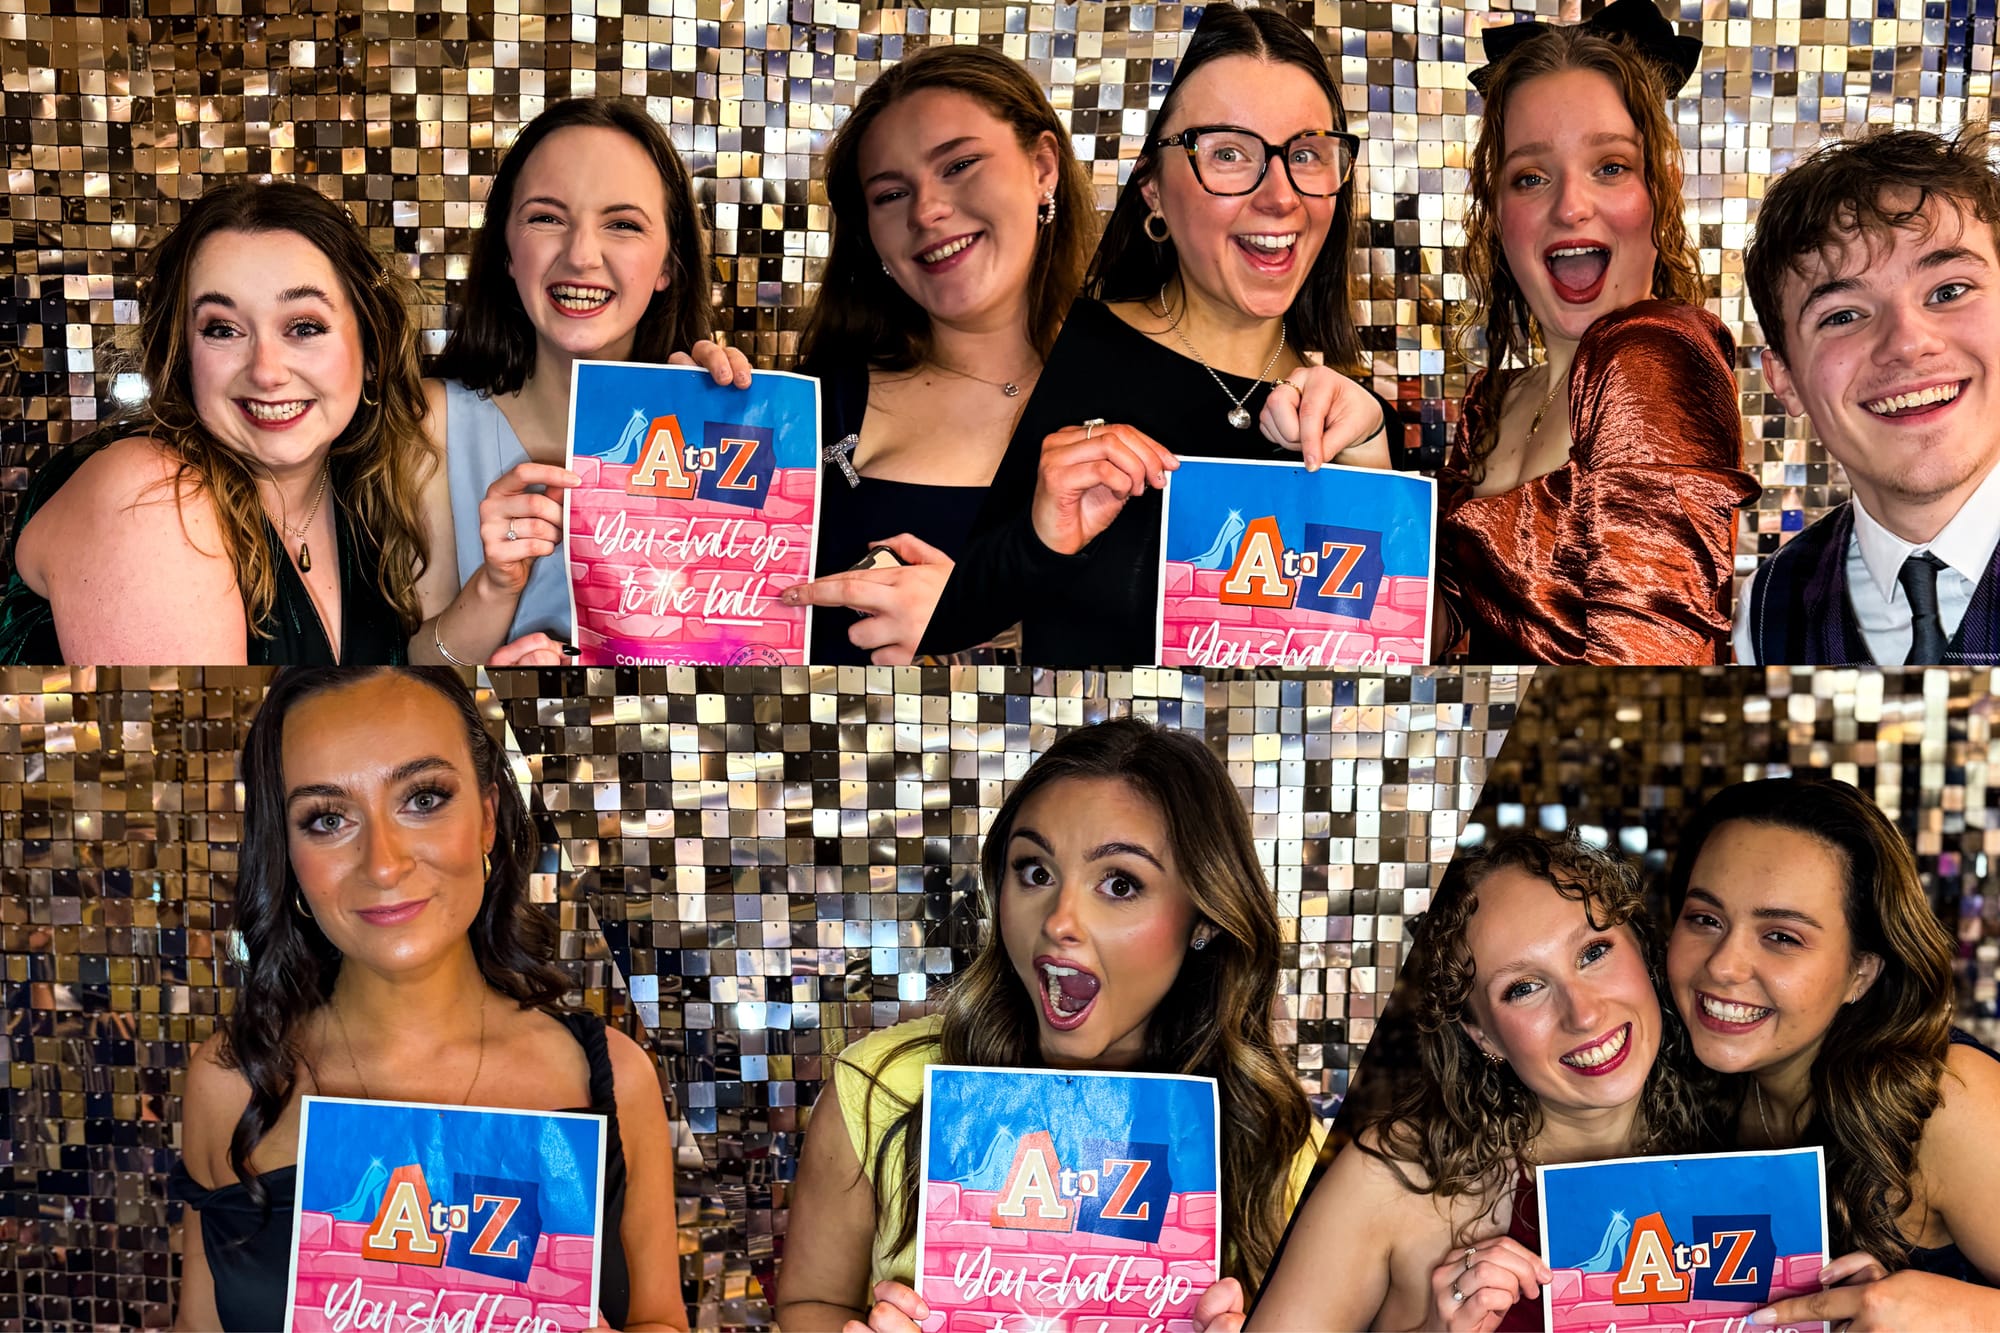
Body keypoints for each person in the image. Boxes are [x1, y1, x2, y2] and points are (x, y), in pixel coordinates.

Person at [170, 668, 687, 1332]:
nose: (382, 863)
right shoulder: (232, 1081)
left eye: (423, 798)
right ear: (288, 857)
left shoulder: (612, 1076)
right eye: (327, 818)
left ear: (488, 820)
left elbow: (661, 1318)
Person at [775, 718, 1322, 1332]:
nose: (1060, 918)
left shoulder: (1275, 1141)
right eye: (1035, 871)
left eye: (1120, 883)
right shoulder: (881, 1087)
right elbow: (811, 1305)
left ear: (1204, 919)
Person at [916, 2, 1395, 666]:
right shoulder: (1049, 356)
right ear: (1150, 187)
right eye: (1229, 153)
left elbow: (1379, 667)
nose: (1281, 196)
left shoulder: (1356, 422)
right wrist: (1037, 539)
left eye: (1307, 154)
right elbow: (919, 618)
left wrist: (1369, 456)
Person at [1250, 833, 1708, 1332]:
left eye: (1593, 953)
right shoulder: (1393, 1182)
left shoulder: (1748, 1143)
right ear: (1482, 1034)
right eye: (1524, 988)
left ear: (1644, 951)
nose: (1583, 1013)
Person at [1437, 0, 1758, 665]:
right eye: (1530, 176)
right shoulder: (1488, 404)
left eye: (1610, 166)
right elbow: (1428, 632)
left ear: (1659, 190)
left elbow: (1652, 668)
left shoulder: (1653, 355)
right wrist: (1360, 452)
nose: (1570, 205)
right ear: (1497, 213)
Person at [1, 183, 435, 664]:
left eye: (304, 327)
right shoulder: (152, 493)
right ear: (183, 356)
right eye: (222, 329)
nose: (266, 371)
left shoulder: (361, 499)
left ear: (371, 351)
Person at [775, 44, 1096, 665]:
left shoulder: (1160, 393)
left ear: (1043, 167)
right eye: (890, 195)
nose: (927, 211)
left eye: (959, 165)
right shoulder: (817, 411)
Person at [415, 98, 751, 667]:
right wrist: (496, 586)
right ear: (506, 253)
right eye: (547, 217)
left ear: (668, 264)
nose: (581, 255)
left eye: (622, 225)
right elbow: (419, 662)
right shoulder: (433, 423)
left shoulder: (726, 428)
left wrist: (717, 451)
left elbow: (743, 653)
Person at [1663, 778, 2000, 1328]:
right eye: (1705, 919)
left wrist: (1978, 1318)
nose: (1723, 965)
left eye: (1782, 937)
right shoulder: (1676, 1081)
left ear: (1860, 973)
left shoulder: (1947, 1103)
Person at [1736, 129, 2000, 666]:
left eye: (1949, 291)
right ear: (1784, 379)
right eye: (1842, 316)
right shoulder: (1763, 616)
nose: (1907, 343)